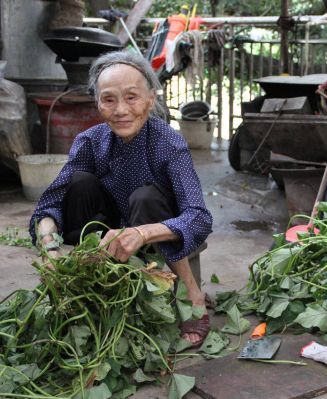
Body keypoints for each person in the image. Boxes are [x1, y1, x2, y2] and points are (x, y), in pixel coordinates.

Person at [29, 50, 213, 346]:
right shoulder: (90, 141)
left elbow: (199, 216)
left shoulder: (168, 142)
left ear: (151, 98)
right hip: (106, 238)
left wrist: (140, 233)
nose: (121, 110)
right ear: (98, 102)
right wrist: (49, 249)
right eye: (109, 99)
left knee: (146, 197)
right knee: (79, 183)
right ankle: (87, 288)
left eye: (132, 97)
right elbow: (50, 203)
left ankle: (191, 292)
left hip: (158, 230)